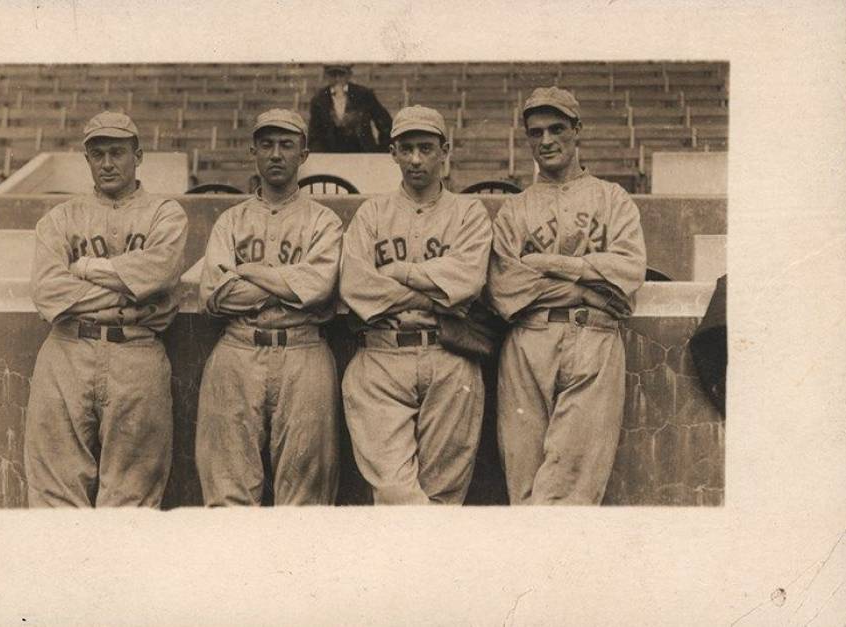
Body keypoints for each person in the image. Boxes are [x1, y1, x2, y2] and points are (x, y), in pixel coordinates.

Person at [486, 87, 647, 505]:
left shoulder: (613, 199)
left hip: (593, 341)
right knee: (523, 486)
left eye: (557, 129)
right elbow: (505, 289)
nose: (546, 141)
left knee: (570, 489)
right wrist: (585, 287)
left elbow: (628, 272)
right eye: (536, 132)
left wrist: (550, 264)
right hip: (528, 341)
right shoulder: (514, 210)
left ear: (577, 130)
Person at [25, 111, 189, 507]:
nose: (108, 163)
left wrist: (85, 271)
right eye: (97, 154)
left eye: (117, 152)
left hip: (136, 355)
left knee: (132, 497)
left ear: (139, 156)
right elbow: (48, 291)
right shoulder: (60, 218)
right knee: (55, 496)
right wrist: (131, 292)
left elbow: (160, 274)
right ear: (87, 160)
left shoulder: (165, 213)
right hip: (67, 352)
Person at [338, 105, 492, 505]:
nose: (416, 159)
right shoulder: (372, 213)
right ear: (393, 152)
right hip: (381, 357)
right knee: (393, 494)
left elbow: (469, 281)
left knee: (444, 496)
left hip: (449, 356)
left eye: (426, 148)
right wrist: (437, 291)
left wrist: (397, 272)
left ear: (445, 150)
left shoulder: (469, 212)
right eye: (406, 149)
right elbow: (356, 287)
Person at [196, 109, 342, 506]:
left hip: (303, 352)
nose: (276, 154)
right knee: (228, 492)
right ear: (252, 151)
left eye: (286, 144)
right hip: (238, 350)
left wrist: (248, 272)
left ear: (303, 153)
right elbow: (215, 295)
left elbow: (317, 288)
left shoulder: (323, 221)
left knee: (306, 498)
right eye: (266, 145)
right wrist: (286, 283)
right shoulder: (230, 221)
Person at [307, 63, 393, 153]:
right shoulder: (319, 99)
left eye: (341, 74)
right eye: (333, 74)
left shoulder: (364, 94)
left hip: (362, 153)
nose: (337, 79)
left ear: (349, 75)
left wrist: (380, 151)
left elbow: (385, 124)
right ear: (326, 75)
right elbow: (314, 135)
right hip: (331, 155)